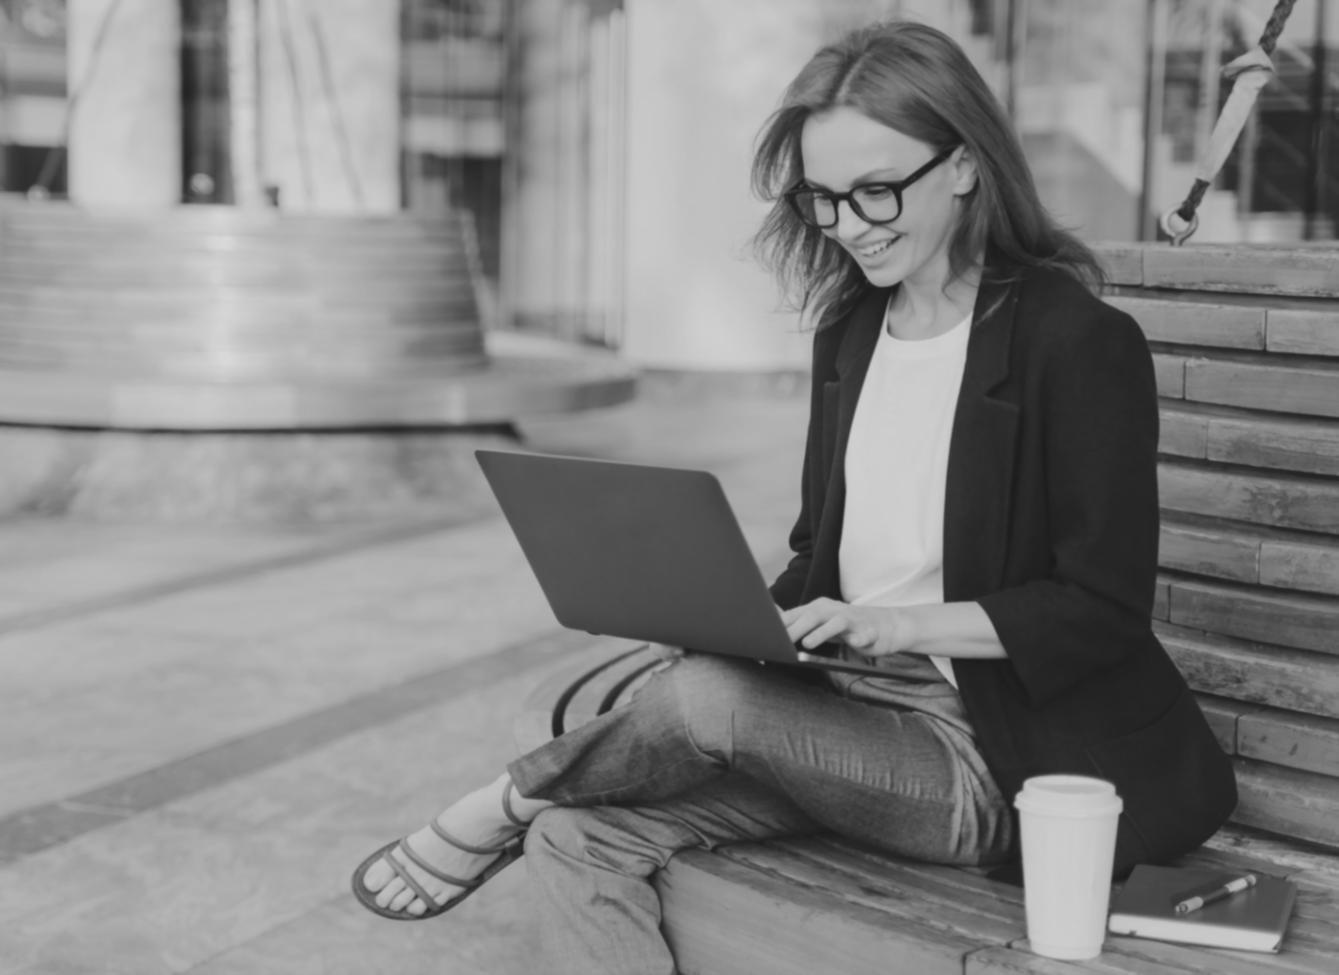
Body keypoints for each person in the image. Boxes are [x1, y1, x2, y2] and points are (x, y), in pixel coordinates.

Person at [352, 20, 1238, 974]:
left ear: (964, 166)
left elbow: (1101, 608)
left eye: (875, 190)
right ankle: (543, 807)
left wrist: (895, 627)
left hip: (991, 754)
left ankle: (498, 802)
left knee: (699, 706)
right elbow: (819, 550)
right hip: (841, 715)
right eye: (823, 200)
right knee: (580, 836)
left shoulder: (1076, 342)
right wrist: (727, 618)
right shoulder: (853, 332)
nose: (850, 226)